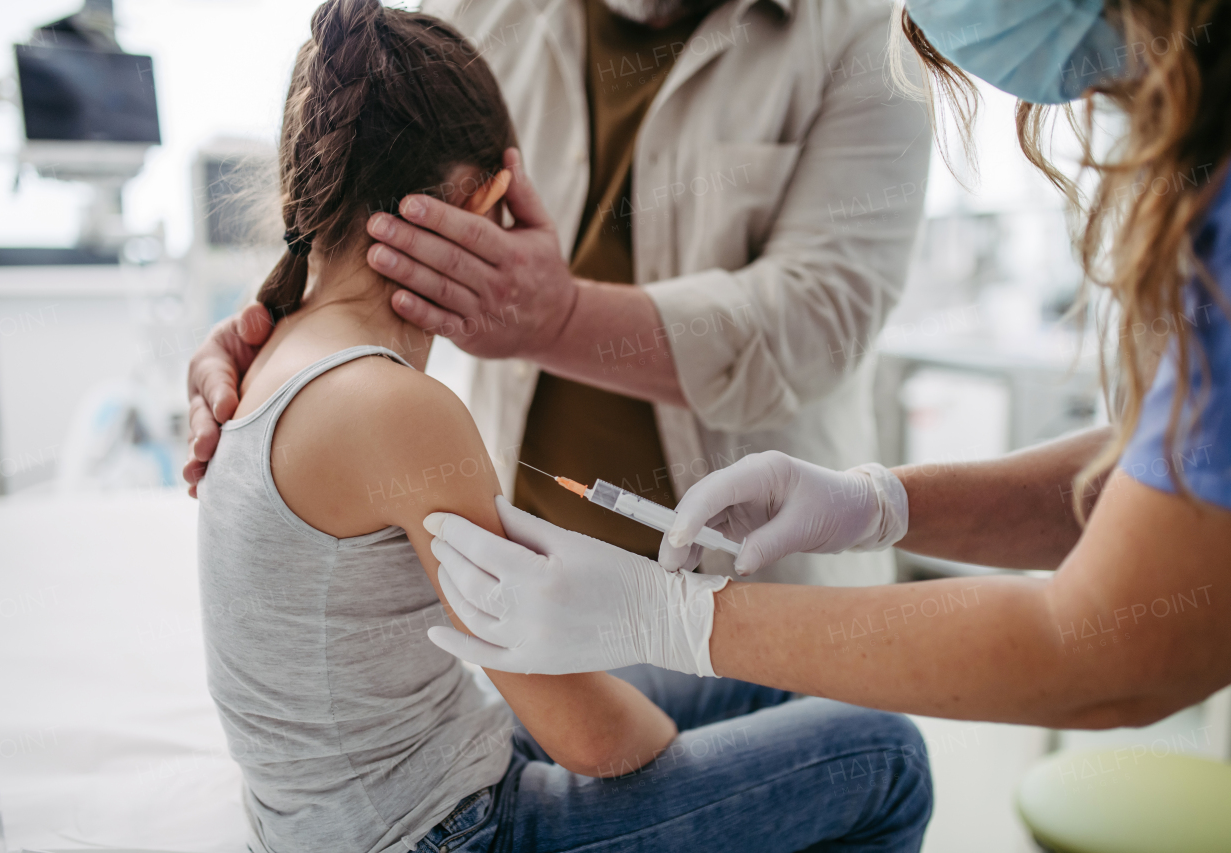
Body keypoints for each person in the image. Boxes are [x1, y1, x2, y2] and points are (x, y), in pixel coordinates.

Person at [197, 3, 932, 852]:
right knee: (885, 750)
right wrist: (704, 789)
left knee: (785, 686)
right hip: (448, 827)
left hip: (373, 793)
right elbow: (601, 743)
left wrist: (557, 315)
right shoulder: (400, 408)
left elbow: (817, 318)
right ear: (491, 199)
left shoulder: (273, 358)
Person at [419, 0, 1231, 731]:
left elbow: (1113, 649)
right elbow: (1148, 485)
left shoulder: (855, 35)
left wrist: (670, 616)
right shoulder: (474, 17)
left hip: (760, 615)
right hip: (532, 599)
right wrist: (880, 504)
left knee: (879, 765)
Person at [186, 0, 932, 589]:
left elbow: (814, 321)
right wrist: (287, 324)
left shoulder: (870, 40)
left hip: (761, 589)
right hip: (537, 577)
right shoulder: (478, 11)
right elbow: (362, 165)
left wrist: (558, 319)